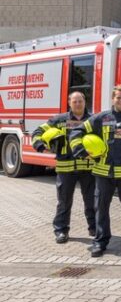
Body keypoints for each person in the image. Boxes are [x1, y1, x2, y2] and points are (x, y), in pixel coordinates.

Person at [70, 85, 121, 257]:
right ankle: (100, 242)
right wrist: (81, 152)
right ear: (113, 98)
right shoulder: (101, 118)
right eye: (118, 98)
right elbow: (77, 131)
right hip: (103, 173)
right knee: (101, 209)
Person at [32, 91, 95, 244]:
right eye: (75, 101)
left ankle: (94, 228)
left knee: (92, 200)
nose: (78, 104)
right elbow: (37, 132)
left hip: (88, 168)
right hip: (66, 168)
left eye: (80, 101)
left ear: (85, 102)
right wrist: (41, 146)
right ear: (69, 103)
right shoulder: (58, 120)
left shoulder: (93, 120)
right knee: (64, 202)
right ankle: (61, 231)